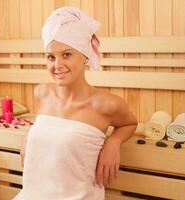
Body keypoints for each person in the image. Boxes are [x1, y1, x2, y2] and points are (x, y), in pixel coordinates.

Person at [13, 6, 137, 200]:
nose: (57, 65)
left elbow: (130, 123)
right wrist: (31, 135)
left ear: (85, 56)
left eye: (67, 54)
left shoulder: (105, 104)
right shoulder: (42, 92)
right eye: (51, 57)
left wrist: (114, 142)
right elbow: (49, 126)